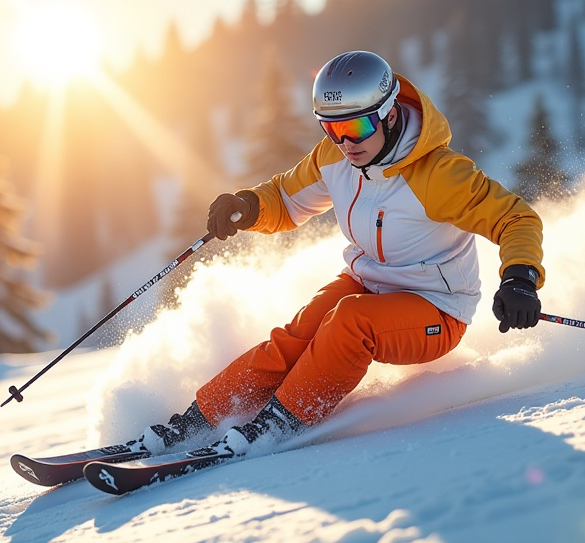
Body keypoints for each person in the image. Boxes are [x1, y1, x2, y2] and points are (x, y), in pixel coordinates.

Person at [128, 50, 545, 458]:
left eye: (358, 127)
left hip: (436, 307)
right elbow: (285, 199)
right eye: (332, 129)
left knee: (348, 321)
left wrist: (520, 278)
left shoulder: (439, 175)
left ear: (390, 113)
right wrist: (248, 206)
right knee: (297, 335)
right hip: (369, 284)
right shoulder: (335, 159)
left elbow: (516, 219)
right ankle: (197, 421)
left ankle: (278, 423)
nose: (346, 143)